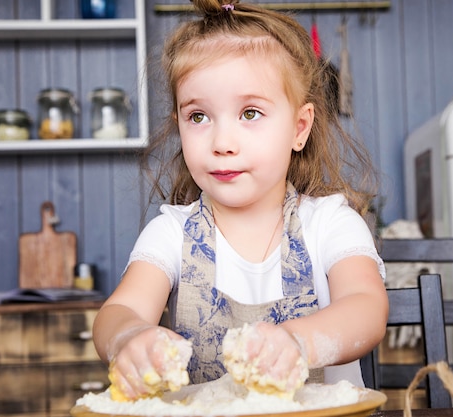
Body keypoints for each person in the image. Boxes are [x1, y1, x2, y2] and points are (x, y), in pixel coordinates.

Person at [92, 0, 388, 401]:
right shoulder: (171, 232)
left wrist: (298, 343)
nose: (222, 143)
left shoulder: (330, 223)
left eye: (250, 112)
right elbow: (117, 314)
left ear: (299, 128)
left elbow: (366, 308)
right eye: (198, 117)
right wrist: (130, 337)